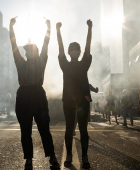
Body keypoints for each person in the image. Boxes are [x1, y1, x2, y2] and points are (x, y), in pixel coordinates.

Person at [9, 17, 59, 169]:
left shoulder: (41, 61)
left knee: (44, 129)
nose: (28, 53)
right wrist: (11, 27)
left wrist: (48, 27)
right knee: (25, 130)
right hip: (24, 96)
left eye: (31, 51)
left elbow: (46, 43)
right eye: (26, 52)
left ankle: (52, 156)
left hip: (38, 96)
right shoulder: (20, 62)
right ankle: (29, 159)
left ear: (36, 53)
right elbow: (13, 44)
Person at [57, 19, 92, 169]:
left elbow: (88, 46)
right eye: (72, 49)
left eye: (76, 49)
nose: (74, 50)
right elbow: (60, 48)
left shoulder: (84, 63)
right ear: (69, 52)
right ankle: (69, 155)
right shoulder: (65, 64)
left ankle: (84, 156)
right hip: (68, 102)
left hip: (83, 101)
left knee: (83, 130)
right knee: (69, 129)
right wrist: (58, 31)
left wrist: (90, 29)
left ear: (79, 52)